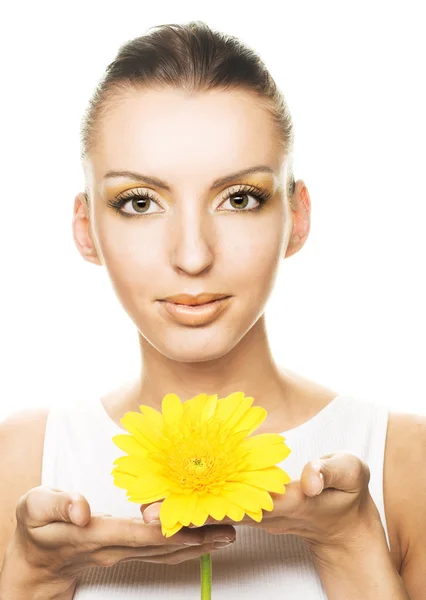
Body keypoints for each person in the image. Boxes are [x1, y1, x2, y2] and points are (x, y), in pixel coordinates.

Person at [0, 19, 424, 600]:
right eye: (140, 202)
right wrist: (34, 577)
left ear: (296, 218)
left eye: (239, 198)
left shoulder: (407, 462)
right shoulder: (22, 459)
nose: (194, 256)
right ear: (86, 229)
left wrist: (348, 543)